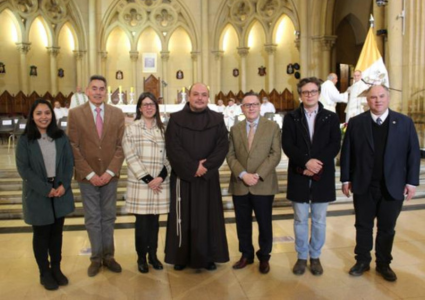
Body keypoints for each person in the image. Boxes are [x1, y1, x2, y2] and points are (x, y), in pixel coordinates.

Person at [340, 84, 420, 282]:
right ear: (367, 100)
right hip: (364, 184)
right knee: (363, 225)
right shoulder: (357, 122)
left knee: (387, 228)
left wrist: (412, 182)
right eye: (373, 97)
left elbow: (413, 154)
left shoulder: (404, 122)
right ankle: (363, 261)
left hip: (392, 185)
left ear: (388, 97)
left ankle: (384, 264)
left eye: (381, 96)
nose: (378, 100)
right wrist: (345, 179)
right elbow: (347, 152)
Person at [164, 82, 229, 270]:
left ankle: (208, 257)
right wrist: (193, 167)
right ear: (189, 96)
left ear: (208, 98)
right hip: (183, 178)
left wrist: (206, 166)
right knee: (182, 217)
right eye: (196, 94)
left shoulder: (217, 118)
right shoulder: (176, 119)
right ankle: (180, 257)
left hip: (208, 179)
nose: (200, 98)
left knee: (208, 217)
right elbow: (173, 148)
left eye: (203, 94)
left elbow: (222, 146)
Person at [282, 77, 341, 276]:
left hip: (322, 174)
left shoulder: (331, 117)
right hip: (299, 173)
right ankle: (301, 256)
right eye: (305, 92)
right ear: (300, 95)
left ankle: (315, 256)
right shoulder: (291, 118)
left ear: (318, 93)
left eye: (313, 91)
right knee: (299, 219)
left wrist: (315, 164)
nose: (309, 95)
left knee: (319, 220)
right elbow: (288, 145)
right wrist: (306, 162)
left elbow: (334, 144)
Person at [68, 75, 125, 277]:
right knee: (92, 218)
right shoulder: (75, 114)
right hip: (87, 177)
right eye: (94, 88)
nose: (98, 92)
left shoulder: (117, 114)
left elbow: (121, 145)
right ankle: (95, 258)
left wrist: (109, 172)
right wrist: (91, 173)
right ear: (87, 90)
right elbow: (73, 146)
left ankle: (108, 256)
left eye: (102, 88)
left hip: (110, 176)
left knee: (108, 217)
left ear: (106, 91)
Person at [16, 98, 74, 291]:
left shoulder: (61, 137)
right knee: (41, 235)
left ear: (52, 115)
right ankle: (44, 272)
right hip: (38, 193)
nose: (43, 117)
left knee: (57, 234)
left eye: (47, 113)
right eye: (39, 113)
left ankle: (56, 268)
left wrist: (64, 184)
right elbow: (24, 169)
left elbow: (68, 163)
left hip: (59, 191)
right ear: (32, 116)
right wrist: (44, 188)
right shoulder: (25, 140)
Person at [226, 92, 281, 274]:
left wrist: (257, 175)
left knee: (265, 223)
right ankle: (246, 255)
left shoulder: (272, 127)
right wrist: (242, 174)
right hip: (240, 184)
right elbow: (230, 154)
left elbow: (275, 154)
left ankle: (264, 257)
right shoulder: (235, 129)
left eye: (254, 104)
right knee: (242, 223)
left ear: (260, 107)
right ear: (242, 108)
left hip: (263, 183)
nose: (251, 108)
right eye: (247, 105)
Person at [122, 92, 170, 274]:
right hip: (141, 184)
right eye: (145, 104)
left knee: (155, 223)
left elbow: (169, 156)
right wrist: (149, 180)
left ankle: (153, 255)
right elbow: (131, 156)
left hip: (159, 182)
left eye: (152, 104)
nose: (149, 107)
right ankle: (141, 257)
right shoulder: (132, 129)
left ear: (156, 108)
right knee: (142, 224)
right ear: (140, 108)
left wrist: (160, 178)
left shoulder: (163, 129)